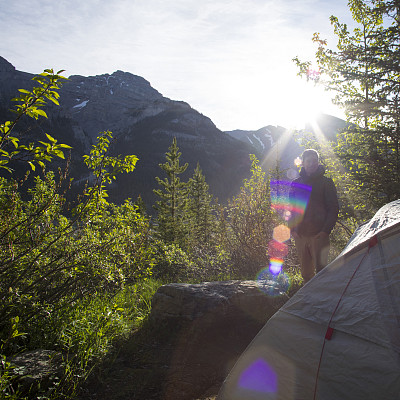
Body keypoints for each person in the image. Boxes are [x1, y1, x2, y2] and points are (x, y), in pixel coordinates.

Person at [289, 149, 339, 283]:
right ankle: (309, 301)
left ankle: (324, 300)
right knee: (306, 274)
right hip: (300, 236)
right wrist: (292, 230)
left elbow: (333, 208)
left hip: (319, 235)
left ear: (318, 162)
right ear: (303, 163)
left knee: (322, 272)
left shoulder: (326, 183)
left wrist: (325, 231)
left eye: (314, 161)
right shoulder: (296, 183)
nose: (312, 164)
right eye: (308, 161)